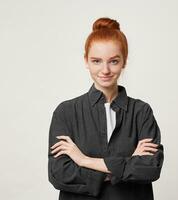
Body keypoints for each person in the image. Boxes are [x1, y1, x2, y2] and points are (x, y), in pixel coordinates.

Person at [48, 17, 164, 200]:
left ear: (124, 61)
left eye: (114, 61)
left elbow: (150, 168)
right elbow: (59, 174)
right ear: (86, 61)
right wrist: (126, 165)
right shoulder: (66, 112)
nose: (105, 70)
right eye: (96, 61)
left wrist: (84, 161)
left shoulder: (142, 112)